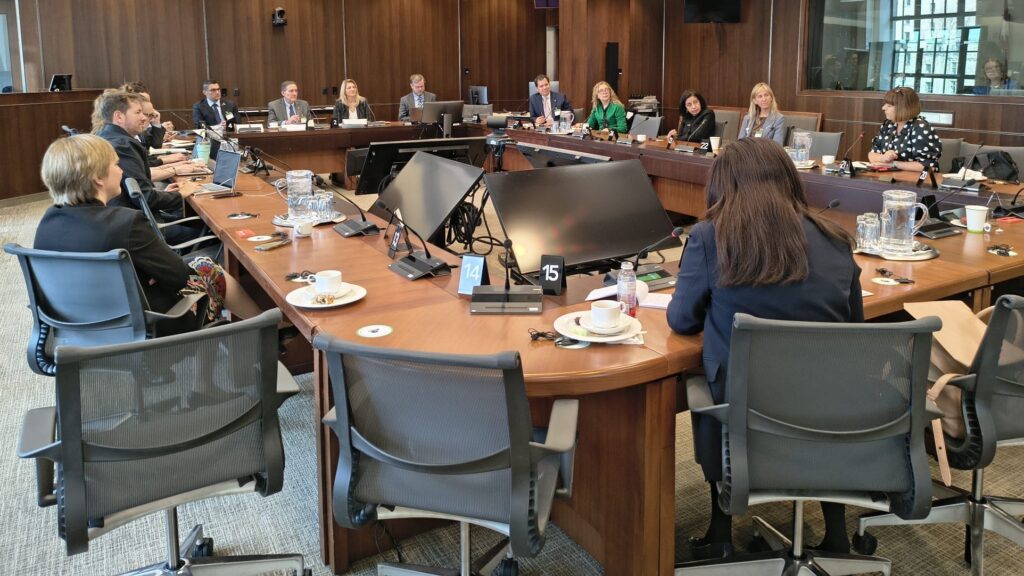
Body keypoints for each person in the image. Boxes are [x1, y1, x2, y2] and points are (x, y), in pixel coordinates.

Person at [667, 137, 863, 559]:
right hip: (827, 416)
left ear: (724, 185)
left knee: (709, 377)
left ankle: (721, 531)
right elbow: (855, 330)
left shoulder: (708, 237)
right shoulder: (836, 241)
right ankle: (837, 535)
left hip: (742, 416)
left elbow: (681, 320)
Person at [33, 134, 262, 329]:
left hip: (77, 325)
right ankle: (265, 326)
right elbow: (181, 277)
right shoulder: (125, 222)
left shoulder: (47, 222)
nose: (121, 171)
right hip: (147, 325)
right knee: (207, 266)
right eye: (115, 165)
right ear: (97, 178)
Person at [868, 86, 941, 172]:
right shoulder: (888, 124)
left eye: (889, 106)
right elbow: (872, 154)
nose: (883, 108)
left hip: (914, 182)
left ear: (903, 108)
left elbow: (929, 166)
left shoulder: (920, 128)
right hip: (888, 179)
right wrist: (883, 158)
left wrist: (894, 164)